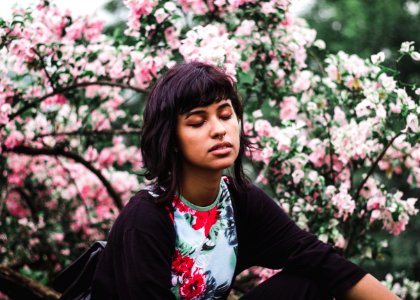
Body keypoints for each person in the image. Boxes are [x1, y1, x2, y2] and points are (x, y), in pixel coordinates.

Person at [91, 62, 399, 299]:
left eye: (225, 115)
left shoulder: (238, 200)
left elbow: (320, 260)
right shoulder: (147, 218)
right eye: (198, 121)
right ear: (171, 139)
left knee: (310, 282)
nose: (218, 130)